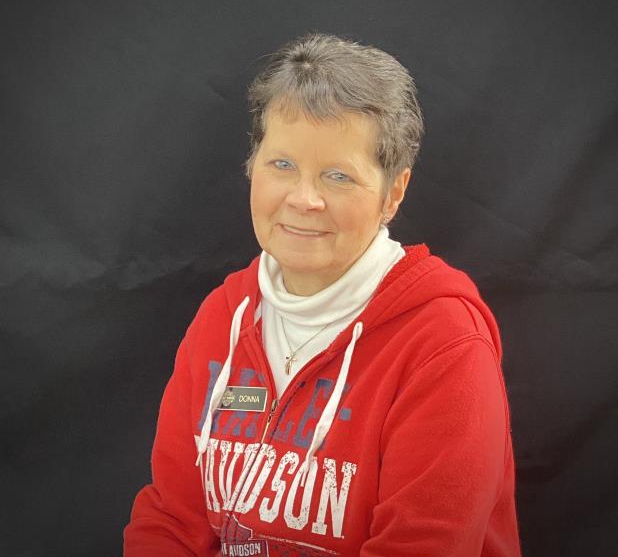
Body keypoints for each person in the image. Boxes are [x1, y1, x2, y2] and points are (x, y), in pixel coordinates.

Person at [124, 32, 521, 556]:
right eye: (282, 165)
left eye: (337, 176)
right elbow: (173, 519)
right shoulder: (223, 316)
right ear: (252, 167)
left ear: (393, 193)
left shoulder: (444, 344)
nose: (303, 198)